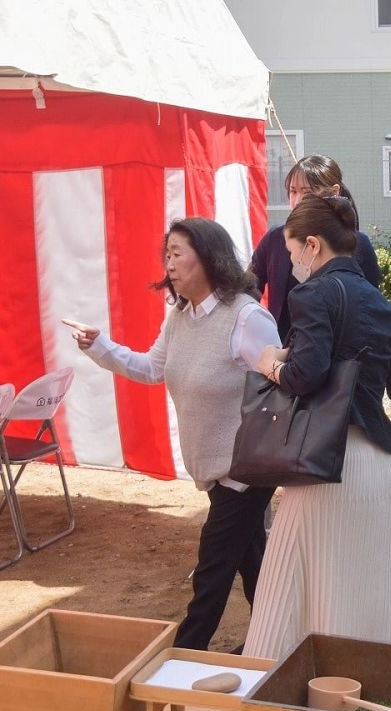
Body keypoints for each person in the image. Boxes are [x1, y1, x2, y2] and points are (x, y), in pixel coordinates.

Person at [64, 218, 281, 651]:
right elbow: (150, 368)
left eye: (178, 252)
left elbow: (281, 386)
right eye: (167, 255)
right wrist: (99, 345)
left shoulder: (245, 317)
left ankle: (184, 655)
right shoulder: (180, 317)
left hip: (245, 471)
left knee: (212, 571)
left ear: (208, 256)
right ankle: (276, 640)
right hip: (216, 471)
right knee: (254, 562)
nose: (170, 264)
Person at [242, 195, 391, 661]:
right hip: (376, 461)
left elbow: (308, 374)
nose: (291, 261)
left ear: (313, 245)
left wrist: (270, 364)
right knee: (363, 585)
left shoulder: (312, 294)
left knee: (295, 582)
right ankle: (364, 688)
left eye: (291, 249)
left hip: (327, 462)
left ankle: (298, 692)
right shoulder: (381, 302)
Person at [249, 154, 382, 339]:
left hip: (338, 353)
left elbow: (372, 305)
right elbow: (250, 285)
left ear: (334, 192)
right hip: (283, 350)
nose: (297, 200)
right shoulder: (275, 238)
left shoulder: (358, 244)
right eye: (293, 191)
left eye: (307, 192)